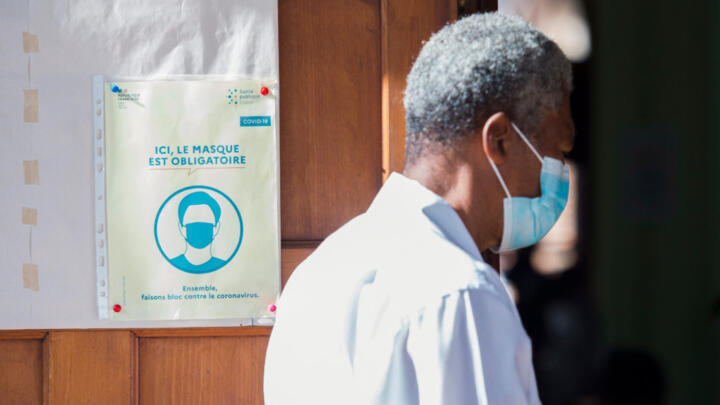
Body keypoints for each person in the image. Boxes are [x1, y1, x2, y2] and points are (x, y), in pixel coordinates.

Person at [264, 12, 574, 404]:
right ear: (498, 139)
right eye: (557, 151)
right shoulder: (461, 296)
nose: (560, 174)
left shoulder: (319, 273)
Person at [170, 191, 227, 273]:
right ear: (181, 229)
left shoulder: (225, 268)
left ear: (216, 228)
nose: (199, 231)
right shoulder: (170, 266)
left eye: (205, 226)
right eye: (192, 226)